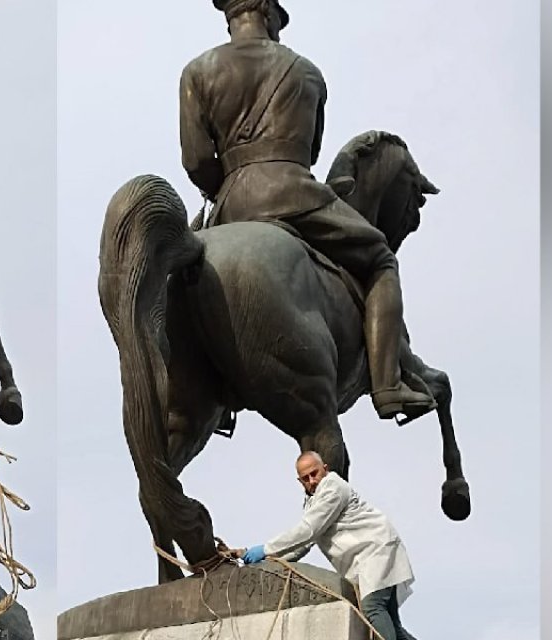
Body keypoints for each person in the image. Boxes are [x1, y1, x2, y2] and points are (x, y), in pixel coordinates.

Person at [179, 0, 435, 422]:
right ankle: (389, 385)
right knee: (381, 260)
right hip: (293, 193)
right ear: (265, 9)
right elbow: (311, 151)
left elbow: (195, 161)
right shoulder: (306, 71)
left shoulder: (197, 72)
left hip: (230, 204)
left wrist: (227, 188)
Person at [241, 451, 417, 640]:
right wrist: (270, 562)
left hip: (376, 550)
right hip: (371, 557)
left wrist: (265, 549)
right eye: (306, 478)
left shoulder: (333, 487)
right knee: (391, 624)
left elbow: (309, 530)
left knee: (372, 609)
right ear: (300, 482)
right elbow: (304, 543)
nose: (312, 481)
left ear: (325, 469)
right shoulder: (313, 502)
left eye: (314, 473)